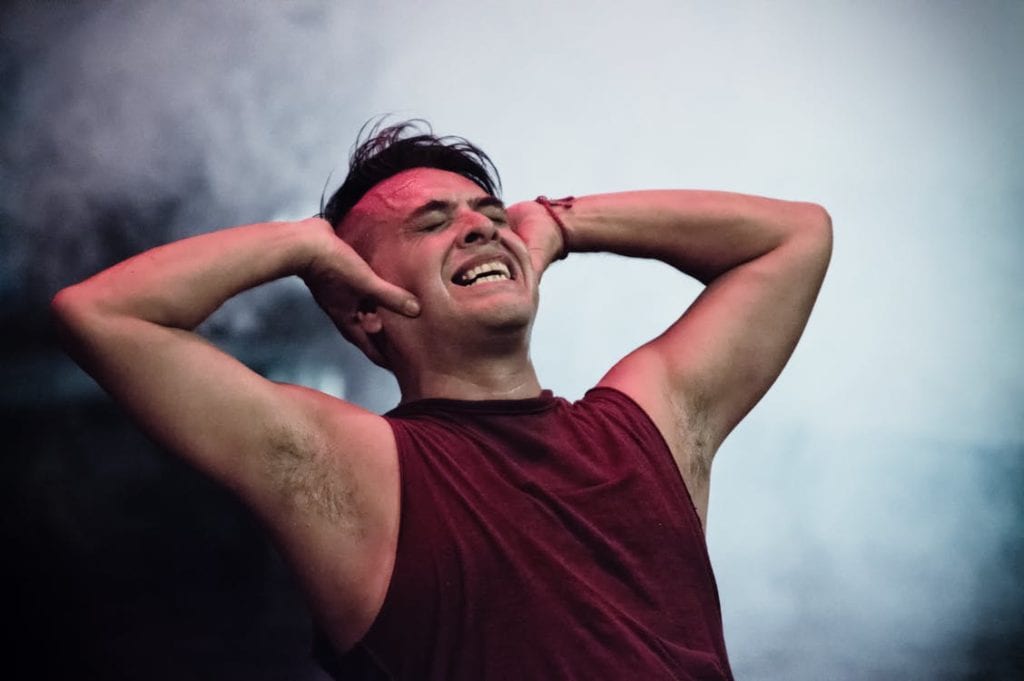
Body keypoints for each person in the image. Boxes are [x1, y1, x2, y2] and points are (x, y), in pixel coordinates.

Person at [51, 118, 832, 680]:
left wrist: (561, 220)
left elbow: (796, 236)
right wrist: (299, 242)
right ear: (364, 303)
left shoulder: (642, 427)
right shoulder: (353, 470)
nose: (480, 229)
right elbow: (101, 316)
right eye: (433, 223)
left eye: (490, 217)